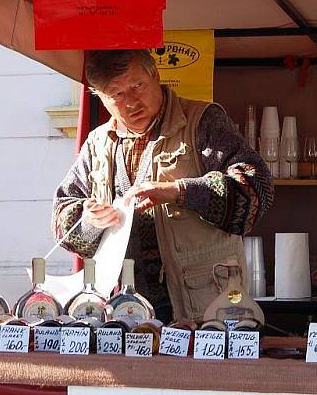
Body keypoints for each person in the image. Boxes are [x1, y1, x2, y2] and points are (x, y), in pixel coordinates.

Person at [52, 49, 273, 323]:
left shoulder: (202, 120)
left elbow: (254, 189)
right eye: (116, 94)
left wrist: (181, 192)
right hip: (126, 313)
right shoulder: (98, 144)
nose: (131, 102)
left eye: (137, 86)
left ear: (155, 75)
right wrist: (89, 220)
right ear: (100, 97)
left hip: (205, 308)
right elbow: (62, 220)